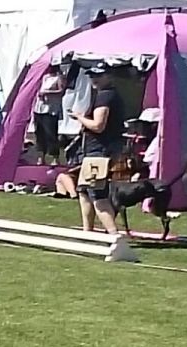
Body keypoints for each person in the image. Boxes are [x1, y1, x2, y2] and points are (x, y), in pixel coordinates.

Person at [70, 64, 124, 234]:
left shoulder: (105, 96)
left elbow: (98, 125)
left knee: (97, 195)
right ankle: (88, 232)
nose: (94, 79)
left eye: (98, 76)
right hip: (98, 150)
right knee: (84, 191)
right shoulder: (109, 95)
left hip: (100, 151)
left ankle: (114, 234)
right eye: (92, 76)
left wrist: (79, 117)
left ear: (109, 76)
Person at [33, 63, 65, 165]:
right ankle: (41, 156)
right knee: (39, 133)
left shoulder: (59, 77)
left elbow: (61, 91)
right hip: (39, 108)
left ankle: (55, 157)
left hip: (51, 109)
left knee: (50, 133)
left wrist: (47, 93)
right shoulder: (44, 77)